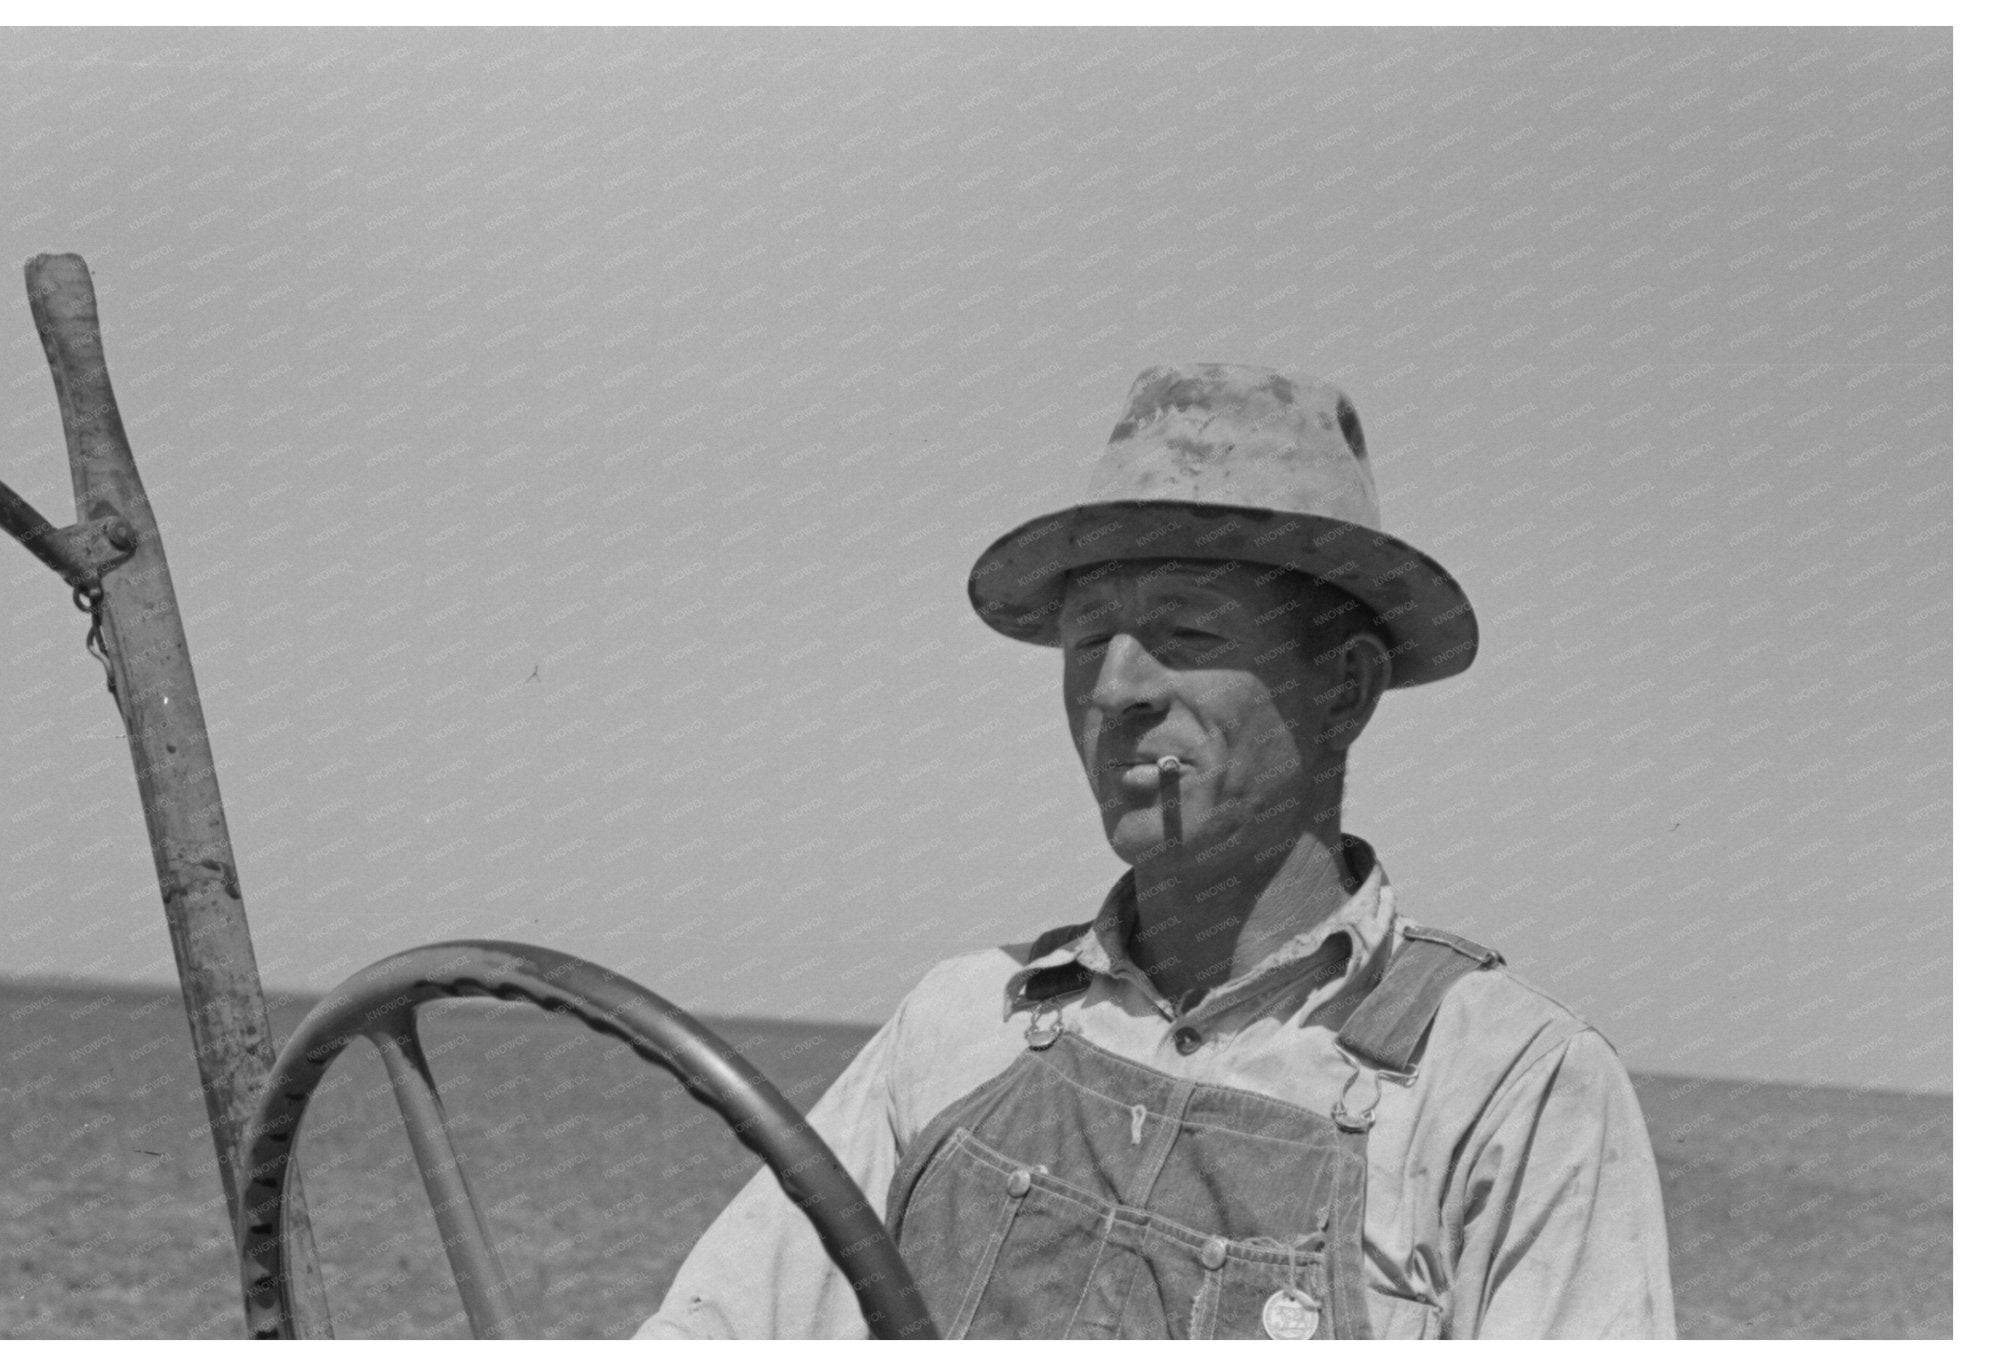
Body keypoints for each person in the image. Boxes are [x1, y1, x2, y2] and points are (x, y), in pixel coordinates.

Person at [635, 363, 1676, 1339]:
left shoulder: (1506, 1086)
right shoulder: (961, 1024)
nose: (1114, 687)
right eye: (1089, 639)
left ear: (1344, 690)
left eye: (1187, 633)